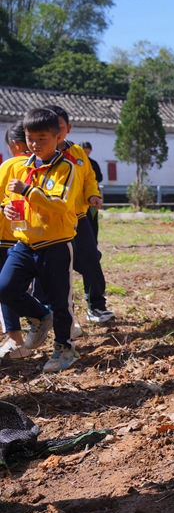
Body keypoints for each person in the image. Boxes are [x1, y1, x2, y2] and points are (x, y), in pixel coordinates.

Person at [0, 108, 79, 372]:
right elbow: (13, 199)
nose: (34, 144)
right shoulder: (22, 167)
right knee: (5, 287)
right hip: (24, 243)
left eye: (42, 138)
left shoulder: (66, 168)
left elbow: (60, 203)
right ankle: (39, 316)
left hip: (55, 244)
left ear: (58, 137)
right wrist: (8, 209)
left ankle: (65, 349)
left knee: (60, 301)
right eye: (30, 138)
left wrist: (28, 191)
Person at [44, 105, 114, 323]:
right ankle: (53, 312)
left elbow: (89, 178)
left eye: (60, 126)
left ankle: (96, 306)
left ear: (68, 128)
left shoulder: (77, 153)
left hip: (79, 218)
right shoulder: (40, 157)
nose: (56, 132)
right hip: (53, 220)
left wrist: (92, 194)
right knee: (56, 265)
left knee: (91, 259)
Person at [0, 122, 31, 360]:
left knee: (5, 287)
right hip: (36, 236)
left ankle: (15, 338)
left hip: (6, 235)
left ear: (15, 144)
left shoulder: (9, 166)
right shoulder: (45, 166)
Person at [81, 141, 103, 241]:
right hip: (80, 198)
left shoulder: (93, 163)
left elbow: (100, 177)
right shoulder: (76, 163)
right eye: (84, 152)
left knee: (93, 220)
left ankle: (94, 243)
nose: (86, 154)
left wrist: (90, 182)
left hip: (92, 197)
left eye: (88, 152)